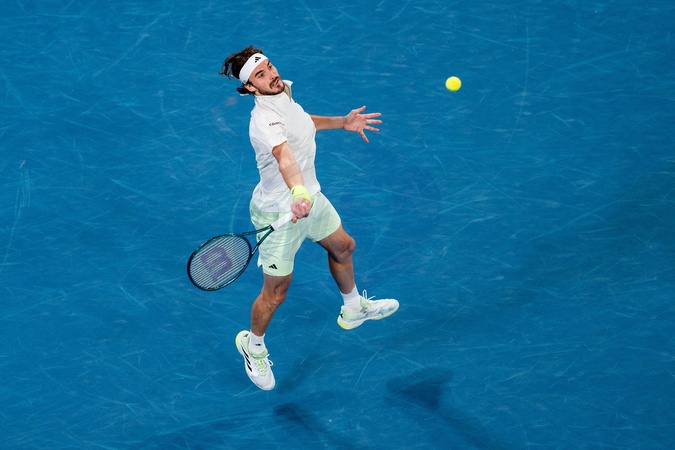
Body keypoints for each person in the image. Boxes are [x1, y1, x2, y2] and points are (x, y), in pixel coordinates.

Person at [219, 46, 399, 390]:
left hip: (309, 198)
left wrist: (341, 123)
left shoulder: (282, 91)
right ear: (250, 88)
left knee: (343, 247)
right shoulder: (263, 120)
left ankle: (353, 308)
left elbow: (301, 123)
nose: (272, 75)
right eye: (261, 75)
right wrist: (298, 193)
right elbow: (284, 157)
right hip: (279, 211)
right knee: (276, 293)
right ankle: (252, 346)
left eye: (269, 66)